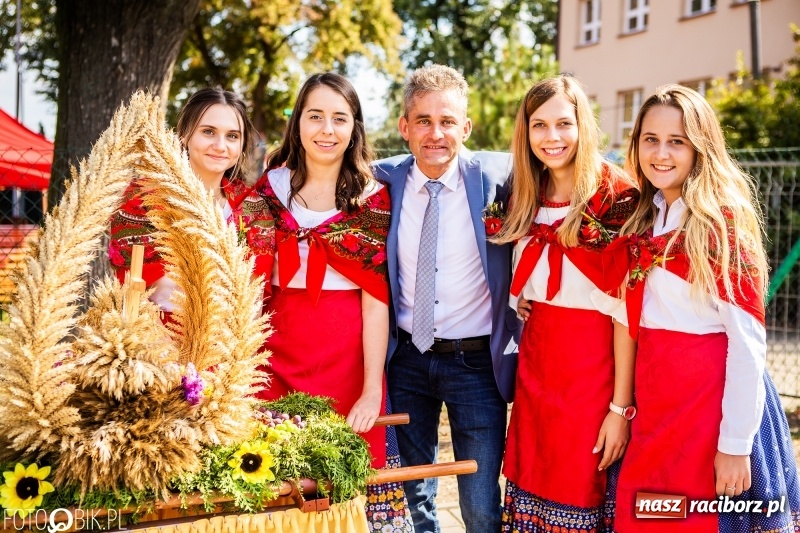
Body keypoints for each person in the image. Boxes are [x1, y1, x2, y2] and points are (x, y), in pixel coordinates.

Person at [602, 84, 800, 532]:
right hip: (657, 405)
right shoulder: (644, 217)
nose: (661, 153)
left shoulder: (721, 226)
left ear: (700, 148)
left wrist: (734, 445)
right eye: (650, 139)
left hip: (711, 410)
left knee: (698, 520)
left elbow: (748, 346)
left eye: (677, 141)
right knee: (650, 515)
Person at [254, 72, 412, 532]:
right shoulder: (269, 190)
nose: (327, 129)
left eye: (339, 118)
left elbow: (375, 302)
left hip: (347, 362)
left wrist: (370, 388)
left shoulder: (372, 197)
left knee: (351, 484)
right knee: (278, 483)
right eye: (315, 116)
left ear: (354, 127)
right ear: (297, 123)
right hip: (276, 357)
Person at [373, 64, 521, 533]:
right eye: (423, 121)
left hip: (476, 365)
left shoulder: (502, 176)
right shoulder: (381, 181)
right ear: (404, 127)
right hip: (406, 362)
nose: (435, 134)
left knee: (479, 505)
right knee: (414, 496)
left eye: (447, 121)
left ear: (466, 127)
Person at [492, 75, 640, 533]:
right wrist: (523, 301)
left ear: (583, 125)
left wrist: (619, 410)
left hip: (594, 370)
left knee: (580, 483)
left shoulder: (615, 197)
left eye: (563, 124)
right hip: (537, 365)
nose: (551, 137)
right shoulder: (522, 194)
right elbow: (524, 276)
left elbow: (625, 313)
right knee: (532, 477)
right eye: (539, 126)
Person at [109, 87, 273, 313]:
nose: (220, 145)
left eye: (232, 136)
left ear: (242, 146)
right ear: (185, 135)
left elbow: (253, 293)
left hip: (231, 341)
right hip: (157, 338)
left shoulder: (253, 206)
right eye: (208, 132)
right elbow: (143, 286)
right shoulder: (143, 197)